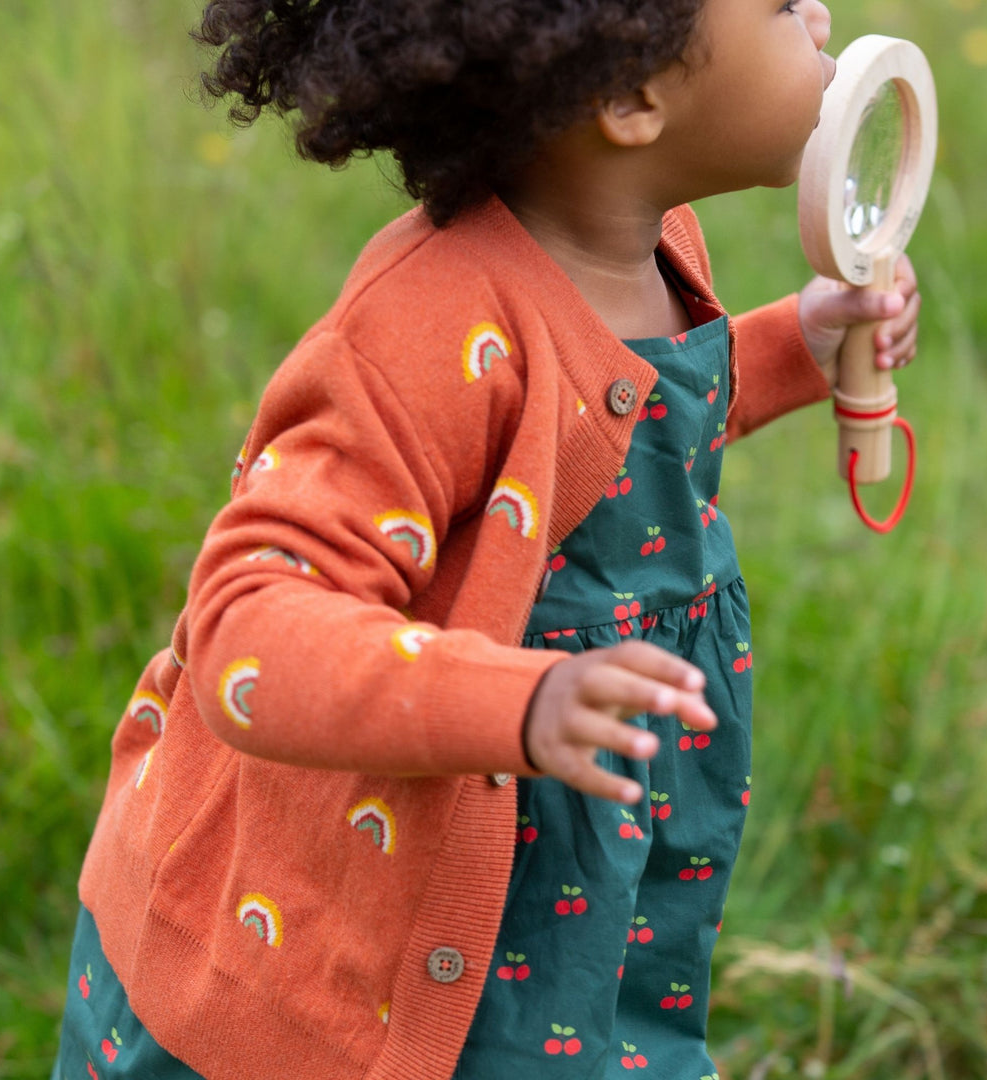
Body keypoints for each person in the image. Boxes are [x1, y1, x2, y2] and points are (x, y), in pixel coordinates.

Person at [52, 0, 921, 1077]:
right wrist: (514, 698)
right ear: (630, 100)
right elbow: (247, 623)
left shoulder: (650, 248)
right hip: (356, 917)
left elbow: (617, 437)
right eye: (782, 7)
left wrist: (799, 342)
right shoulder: (423, 336)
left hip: (560, 875)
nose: (820, 13)